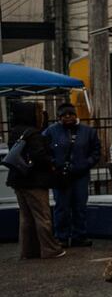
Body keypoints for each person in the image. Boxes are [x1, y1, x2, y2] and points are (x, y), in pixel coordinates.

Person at [45, 103, 102, 247]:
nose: (68, 117)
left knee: (80, 207)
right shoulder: (50, 132)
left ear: (76, 115)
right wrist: (54, 165)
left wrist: (84, 164)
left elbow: (96, 152)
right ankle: (61, 237)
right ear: (59, 117)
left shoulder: (89, 131)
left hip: (81, 175)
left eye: (70, 114)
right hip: (60, 176)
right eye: (64, 115)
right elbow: (44, 151)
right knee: (62, 207)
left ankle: (79, 236)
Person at [4, 126, 65, 260]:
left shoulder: (16, 132)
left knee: (26, 218)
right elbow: (39, 156)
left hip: (18, 180)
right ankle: (50, 249)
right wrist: (52, 162)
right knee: (42, 216)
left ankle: (28, 250)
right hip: (35, 181)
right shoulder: (34, 135)